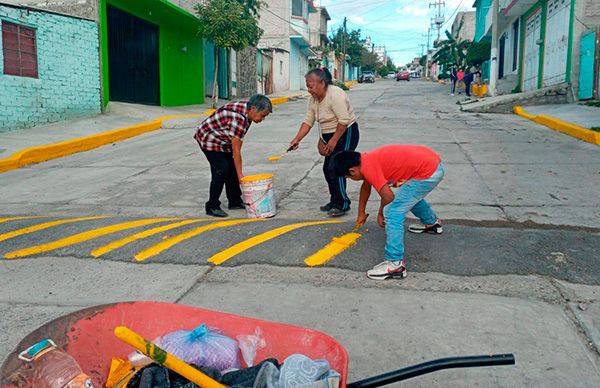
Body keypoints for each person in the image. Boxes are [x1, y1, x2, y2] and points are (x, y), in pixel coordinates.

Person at [331, 145, 444, 280]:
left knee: (392, 212)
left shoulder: (368, 168)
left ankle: (395, 264)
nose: (349, 179)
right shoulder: (365, 160)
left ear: (352, 171)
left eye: (347, 177)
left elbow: (388, 197)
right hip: (430, 163)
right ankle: (432, 223)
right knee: (407, 198)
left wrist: (381, 214)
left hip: (428, 172)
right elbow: (366, 188)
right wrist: (361, 212)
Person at [289, 67, 359, 217]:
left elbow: (344, 121)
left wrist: (334, 141)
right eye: (307, 86)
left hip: (346, 133)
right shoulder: (313, 99)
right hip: (330, 135)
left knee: (337, 167)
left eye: (310, 86)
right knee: (327, 169)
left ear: (322, 83)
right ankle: (334, 200)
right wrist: (297, 139)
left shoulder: (336, 95)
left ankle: (342, 204)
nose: (309, 89)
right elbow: (308, 121)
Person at [194, 94, 272, 217]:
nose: (262, 119)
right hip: (209, 138)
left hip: (223, 139)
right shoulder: (239, 119)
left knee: (232, 168)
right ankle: (212, 206)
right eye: (262, 115)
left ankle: (234, 200)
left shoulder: (247, 111)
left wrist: (238, 172)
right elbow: (236, 151)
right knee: (222, 169)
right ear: (253, 109)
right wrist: (241, 176)